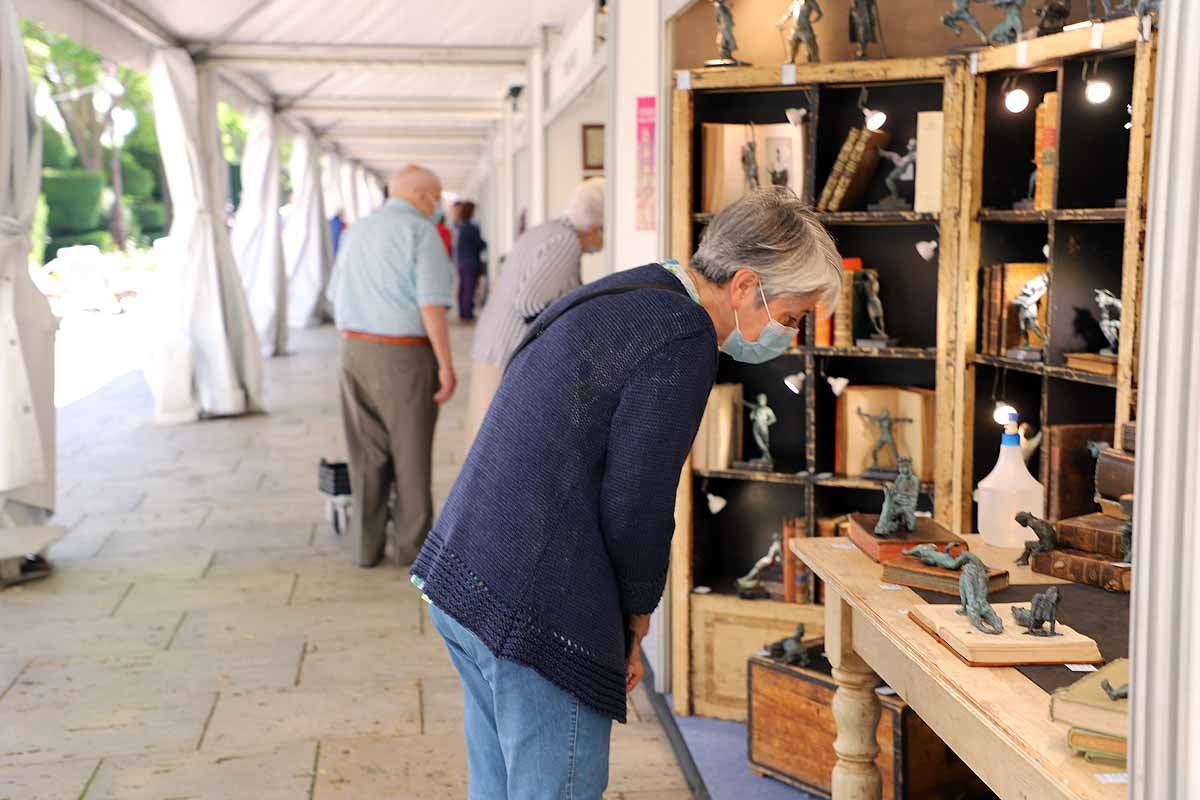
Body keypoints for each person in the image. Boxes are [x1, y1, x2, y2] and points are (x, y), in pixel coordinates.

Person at [411, 186, 842, 798]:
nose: (789, 337)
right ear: (746, 285)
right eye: (792, 317)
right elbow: (638, 503)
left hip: (465, 566)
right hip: (531, 601)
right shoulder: (685, 334)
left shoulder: (639, 287)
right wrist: (635, 620)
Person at [325, 165, 456, 568]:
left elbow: (334, 293)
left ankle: (366, 547)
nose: (438, 206)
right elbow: (431, 305)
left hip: (353, 351)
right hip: (404, 355)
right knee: (411, 455)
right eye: (435, 197)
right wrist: (446, 365)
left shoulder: (356, 231)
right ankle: (412, 551)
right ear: (422, 196)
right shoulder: (421, 233)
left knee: (366, 454)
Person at [467, 177, 605, 440]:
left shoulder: (545, 230)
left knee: (485, 441)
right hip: (507, 352)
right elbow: (530, 304)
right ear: (596, 227)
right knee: (501, 443)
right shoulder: (567, 241)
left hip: (492, 345)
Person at [454, 201, 487, 322]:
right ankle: (467, 314)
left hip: (462, 262)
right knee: (469, 289)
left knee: (463, 289)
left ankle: (463, 313)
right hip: (471, 262)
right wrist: (485, 244)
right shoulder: (472, 227)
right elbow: (479, 244)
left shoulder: (461, 226)